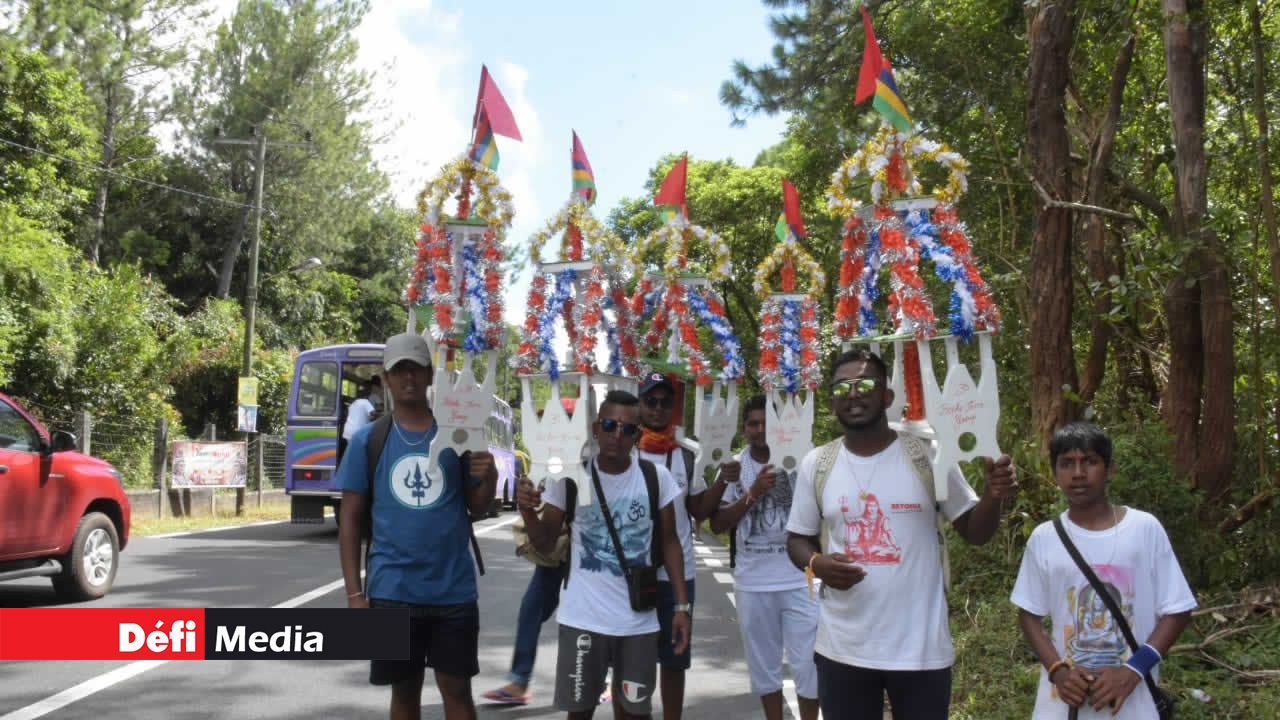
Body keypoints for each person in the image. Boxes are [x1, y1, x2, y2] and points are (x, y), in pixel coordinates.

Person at [785, 348, 1017, 720]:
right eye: (842, 387)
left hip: (920, 650)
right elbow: (797, 539)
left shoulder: (927, 454)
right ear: (832, 400)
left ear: (888, 396)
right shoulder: (818, 463)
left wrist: (994, 495)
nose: (854, 393)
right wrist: (817, 563)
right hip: (843, 648)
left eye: (865, 384)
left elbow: (974, 531)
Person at [337, 332, 498, 720]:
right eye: (399, 370)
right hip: (392, 591)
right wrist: (355, 596)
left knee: (457, 691)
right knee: (404, 692)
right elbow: (350, 520)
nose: (409, 378)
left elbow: (476, 509)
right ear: (387, 378)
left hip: (453, 591)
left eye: (416, 369)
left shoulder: (457, 434)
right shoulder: (367, 440)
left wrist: (488, 477)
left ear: (430, 375)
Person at [517, 389, 692, 720]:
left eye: (627, 429)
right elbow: (544, 542)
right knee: (579, 712)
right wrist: (528, 512)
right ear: (596, 429)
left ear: (637, 435)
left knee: (635, 713)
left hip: (637, 623)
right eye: (610, 425)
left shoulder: (657, 479)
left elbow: (670, 543)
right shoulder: (571, 478)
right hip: (582, 620)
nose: (617, 435)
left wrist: (682, 607)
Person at [1010, 422, 1195, 718]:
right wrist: (1058, 671)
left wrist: (1134, 670)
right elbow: (1028, 615)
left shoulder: (1144, 529)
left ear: (1110, 470)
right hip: (1062, 707)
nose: (1078, 473)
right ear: (1055, 472)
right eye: (1067, 463)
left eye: (1090, 462)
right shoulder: (1044, 538)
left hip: (1134, 705)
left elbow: (1178, 610)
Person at [709, 394, 819, 720]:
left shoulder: (801, 459)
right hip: (753, 582)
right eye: (753, 424)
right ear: (744, 429)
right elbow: (717, 522)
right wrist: (753, 493)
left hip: (801, 580)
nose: (760, 430)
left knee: (808, 662)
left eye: (766, 423)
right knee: (764, 665)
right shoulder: (733, 467)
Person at [634, 372, 730, 720]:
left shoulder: (688, 455)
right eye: (651, 401)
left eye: (665, 402)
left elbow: (698, 512)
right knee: (635, 660)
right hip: (635, 571)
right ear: (640, 404)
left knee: (674, 660)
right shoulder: (625, 450)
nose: (658, 409)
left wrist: (722, 481)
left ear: (674, 408)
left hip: (679, 574)